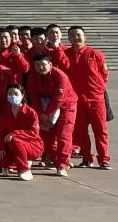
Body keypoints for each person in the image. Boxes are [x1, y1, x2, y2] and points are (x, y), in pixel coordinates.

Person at [66, 26, 110, 169]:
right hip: (77, 101)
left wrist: (97, 90)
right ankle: (87, 158)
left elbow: (104, 74)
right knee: (81, 132)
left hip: (96, 99)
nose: (76, 38)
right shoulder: (66, 54)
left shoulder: (95, 54)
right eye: (72, 35)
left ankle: (104, 159)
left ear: (85, 38)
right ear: (69, 39)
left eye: (79, 35)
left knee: (100, 131)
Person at [26, 53, 78, 176]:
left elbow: (59, 98)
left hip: (66, 106)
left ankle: (62, 165)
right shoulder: (33, 76)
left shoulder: (60, 76)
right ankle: (57, 159)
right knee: (46, 135)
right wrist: (40, 114)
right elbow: (33, 97)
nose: (40, 68)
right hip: (45, 106)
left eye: (43, 65)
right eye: (37, 65)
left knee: (63, 135)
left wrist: (47, 113)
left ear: (50, 64)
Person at [0, 83, 43, 181]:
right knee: (1, 159)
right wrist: (0, 148)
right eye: (10, 93)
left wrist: (14, 134)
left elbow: (33, 133)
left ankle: (24, 169)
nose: (12, 96)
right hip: (11, 145)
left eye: (16, 94)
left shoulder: (30, 112)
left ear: (22, 95)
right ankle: (15, 163)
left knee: (15, 140)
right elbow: (0, 133)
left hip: (32, 145)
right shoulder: (5, 112)